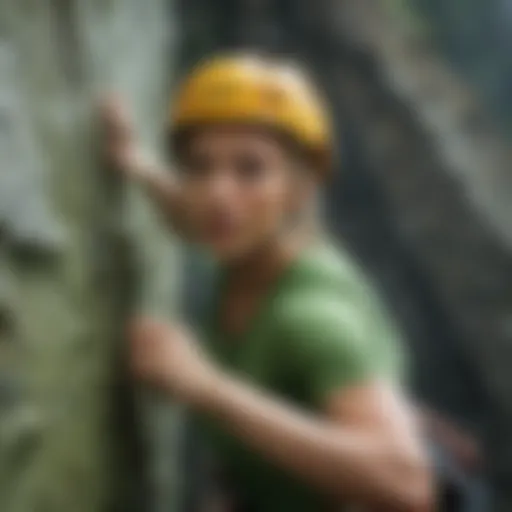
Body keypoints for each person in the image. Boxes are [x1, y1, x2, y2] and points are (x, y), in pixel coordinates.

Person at [102, 53, 434, 511]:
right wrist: (134, 162)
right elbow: (188, 213)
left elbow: (406, 482)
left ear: (300, 188)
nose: (218, 192)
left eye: (251, 169)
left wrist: (203, 385)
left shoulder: (313, 315)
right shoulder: (245, 242)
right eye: (199, 166)